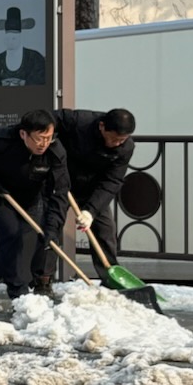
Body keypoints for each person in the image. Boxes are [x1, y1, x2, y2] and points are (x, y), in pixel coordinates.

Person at [0, 108, 69, 309]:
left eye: (48, 138)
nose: (44, 144)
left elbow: (60, 192)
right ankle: (19, 293)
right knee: (12, 234)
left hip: (28, 198)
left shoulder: (55, 151)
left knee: (10, 244)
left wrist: (52, 228)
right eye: (39, 139)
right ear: (23, 134)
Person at [33, 107, 136, 288]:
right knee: (52, 226)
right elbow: (46, 119)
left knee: (105, 231)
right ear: (102, 127)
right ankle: (43, 280)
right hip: (61, 181)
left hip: (93, 188)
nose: (117, 143)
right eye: (114, 139)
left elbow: (112, 180)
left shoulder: (126, 148)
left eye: (122, 140)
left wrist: (91, 211)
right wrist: (51, 142)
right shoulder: (78, 121)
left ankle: (111, 279)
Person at [0, 6, 47, 87]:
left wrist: (22, 84)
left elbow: (41, 80)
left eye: (14, 38)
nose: (10, 42)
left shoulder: (35, 57)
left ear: (21, 37)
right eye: (8, 38)